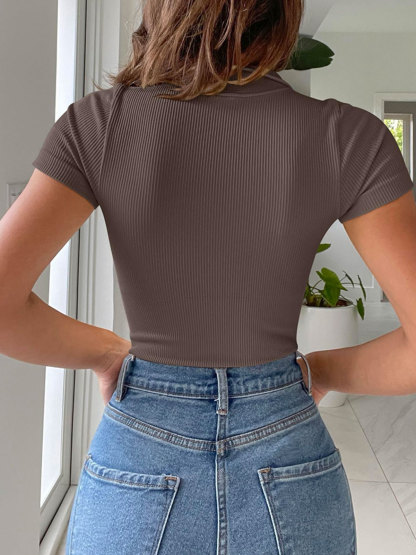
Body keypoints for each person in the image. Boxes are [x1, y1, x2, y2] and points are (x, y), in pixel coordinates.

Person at [0, 0, 415, 553]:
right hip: (289, 455)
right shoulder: (350, 136)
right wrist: (319, 370)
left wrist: (105, 353)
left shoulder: (99, 123)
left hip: (140, 453)